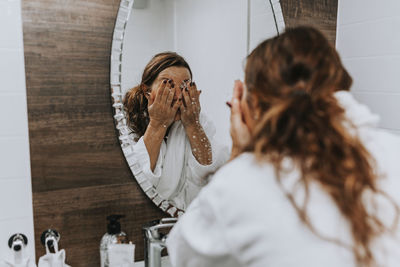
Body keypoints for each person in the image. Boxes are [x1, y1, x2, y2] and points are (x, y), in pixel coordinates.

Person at [166, 27, 400, 266]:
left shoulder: (242, 183)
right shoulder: (394, 151)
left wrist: (239, 153)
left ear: (252, 102)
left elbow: (182, 255)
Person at [123, 52, 228, 210]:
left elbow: (210, 176)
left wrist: (193, 124)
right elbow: (135, 184)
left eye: (185, 85)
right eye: (168, 84)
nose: (179, 95)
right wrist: (158, 124)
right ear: (147, 91)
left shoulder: (197, 119)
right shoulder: (127, 125)